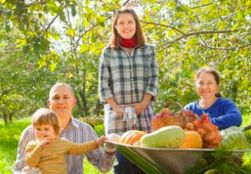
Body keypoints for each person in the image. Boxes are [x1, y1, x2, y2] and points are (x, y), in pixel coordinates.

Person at [98, 7, 158, 174]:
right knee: (123, 165)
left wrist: (143, 104)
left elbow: (153, 79)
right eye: (121, 23)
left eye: (130, 22)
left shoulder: (149, 50)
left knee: (145, 163)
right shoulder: (108, 52)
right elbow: (103, 84)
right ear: (116, 27)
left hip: (144, 114)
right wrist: (116, 107)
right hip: (117, 116)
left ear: (136, 25)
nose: (126, 26)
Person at [14, 83, 115, 174]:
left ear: (74, 102)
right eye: (56, 97)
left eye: (65, 97)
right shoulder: (30, 132)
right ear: (49, 103)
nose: (61, 101)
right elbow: (18, 169)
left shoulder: (85, 130)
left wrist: (110, 148)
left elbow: (103, 167)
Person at [22, 108, 106, 174]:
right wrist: (39, 146)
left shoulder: (62, 143)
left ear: (55, 130)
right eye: (38, 129)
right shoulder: (32, 145)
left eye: (46, 129)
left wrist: (96, 143)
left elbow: (79, 148)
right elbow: (31, 163)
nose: (42, 132)